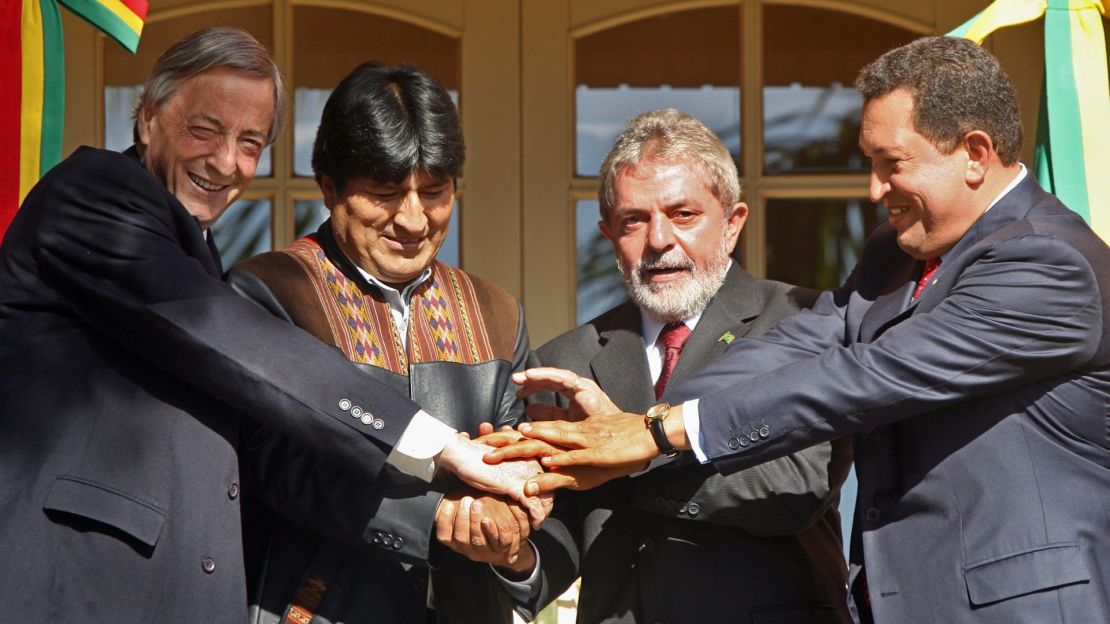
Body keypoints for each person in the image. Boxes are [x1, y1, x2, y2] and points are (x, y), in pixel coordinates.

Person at [497, 36, 1110, 624]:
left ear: (974, 154)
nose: (875, 190)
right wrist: (642, 421)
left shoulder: (1049, 265)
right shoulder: (894, 253)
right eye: (870, 165)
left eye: (891, 165)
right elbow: (803, 343)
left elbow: (868, 376)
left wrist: (656, 435)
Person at [0, 27, 544, 623]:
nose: (225, 161)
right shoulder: (93, 197)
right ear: (147, 119)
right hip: (84, 589)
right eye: (204, 129)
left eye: (250, 141)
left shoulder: (198, 255)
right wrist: (437, 447)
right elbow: (224, 340)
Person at [494, 109, 851, 623]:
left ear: (732, 224)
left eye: (683, 215)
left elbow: (795, 487)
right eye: (634, 221)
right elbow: (562, 528)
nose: (658, 239)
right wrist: (513, 554)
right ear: (609, 235)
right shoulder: (565, 360)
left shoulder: (800, 322)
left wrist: (636, 451)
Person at [228, 62, 533, 624]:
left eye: (435, 191)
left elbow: (516, 460)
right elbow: (276, 463)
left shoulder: (496, 311)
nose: (414, 220)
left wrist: (512, 514)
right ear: (328, 187)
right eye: (386, 193)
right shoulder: (269, 294)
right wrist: (434, 515)